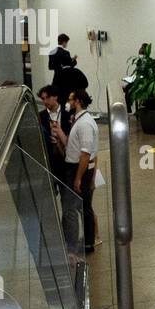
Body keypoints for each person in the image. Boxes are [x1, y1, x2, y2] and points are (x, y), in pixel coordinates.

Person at [62, 88, 99, 258]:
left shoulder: (84, 124)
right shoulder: (82, 120)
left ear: (77, 101)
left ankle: (80, 245)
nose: (68, 103)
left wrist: (78, 177)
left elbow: (85, 153)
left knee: (77, 208)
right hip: (81, 169)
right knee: (84, 207)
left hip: (79, 169)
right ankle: (87, 241)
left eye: (70, 100)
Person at [38, 84, 72, 184]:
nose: (44, 101)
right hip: (49, 160)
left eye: (47, 98)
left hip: (65, 158)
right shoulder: (41, 116)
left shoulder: (67, 114)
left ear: (55, 96)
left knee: (66, 192)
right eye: (42, 99)